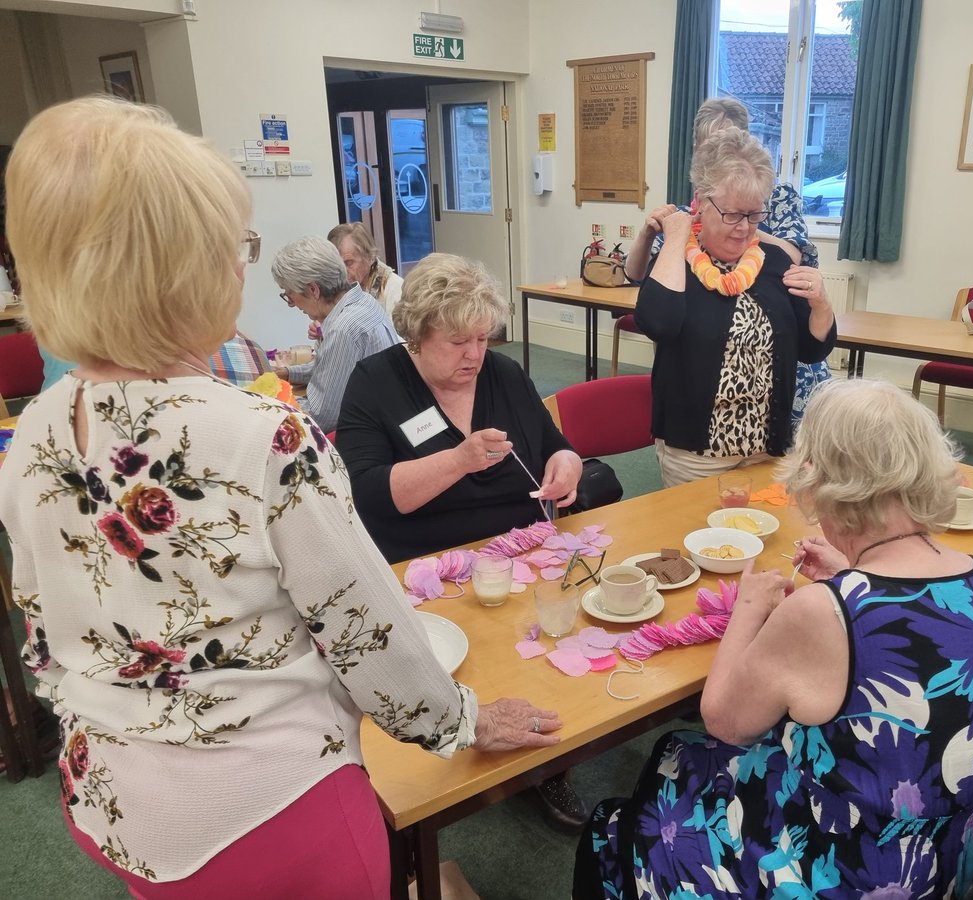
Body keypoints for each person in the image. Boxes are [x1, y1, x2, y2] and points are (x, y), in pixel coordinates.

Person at [0, 95, 560, 898]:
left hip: (114, 803)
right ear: (175, 270)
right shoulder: (261, 435)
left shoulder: (38, 430)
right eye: (233, 245)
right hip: (268, 811)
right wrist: (463, 720)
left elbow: (42, 635)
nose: (240, 265)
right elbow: (367, 629)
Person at [574, 378, 973, 898]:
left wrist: (750, 607)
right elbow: (914, 631)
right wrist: (854, 571)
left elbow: (725, 722)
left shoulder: (825, 612)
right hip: (952, 859)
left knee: (623, 818)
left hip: (840, 873)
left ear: (820, 484)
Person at [336, 252, 588, 830]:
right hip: (422, 563)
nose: (475, 355)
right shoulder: (376, 382)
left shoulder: (503, 374)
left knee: (548, 638)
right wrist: (458, 459)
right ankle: (460, 741)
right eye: (457, 341)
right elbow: (371, 495)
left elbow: (555, 441)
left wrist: (567, 463)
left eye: (483, 337)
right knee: (465, 651)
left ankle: (545, 761)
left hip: (514, 553)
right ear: (418, 336)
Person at [633, 127, 836, 487]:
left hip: (766, 447)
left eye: (755, 215)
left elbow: (812, 348)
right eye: (733, 214)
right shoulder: (676, 259)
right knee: (692, 539)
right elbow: (657, 322)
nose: (745, 228)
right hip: (695, 452)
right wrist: (677, 236)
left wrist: (821, 304)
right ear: (700, 202)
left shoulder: (772, 261)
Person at [271, 236, 399, 433]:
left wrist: (271, 402)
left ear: (313, 289)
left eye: (289, 295)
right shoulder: (363, 300)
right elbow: (333, 368)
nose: (292, 304)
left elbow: (321, 417)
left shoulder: (344, 328)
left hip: (370, 434)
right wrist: (289, 373)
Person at [328, 222, 404, 317]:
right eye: (337, 265)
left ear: (370, 257)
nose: (342, 272)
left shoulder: (394, 289)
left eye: (348, 263)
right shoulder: (337, 290)